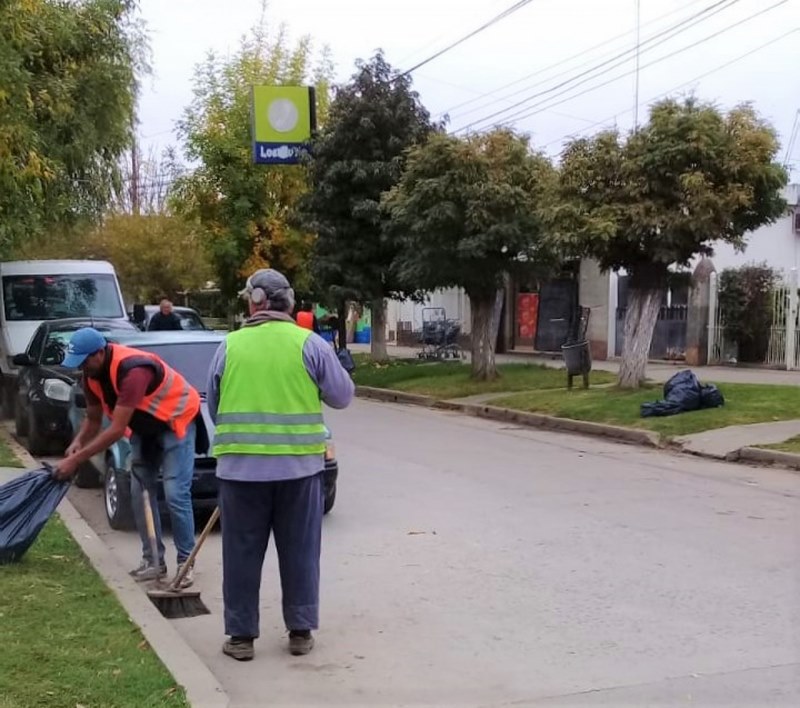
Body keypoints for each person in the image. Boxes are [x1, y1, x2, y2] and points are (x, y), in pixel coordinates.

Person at [207, 268, 354, 662]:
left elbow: (215, 406)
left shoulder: (229, 346)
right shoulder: (310, 345)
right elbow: (342, 397)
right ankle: (300, 632)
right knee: (300, 551)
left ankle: (240, 638)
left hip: (240, 474)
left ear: (255, 301)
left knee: (240, 554)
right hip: (298, 473)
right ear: (287, 302)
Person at [54, 327, 199, 585]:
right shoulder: (91, 376)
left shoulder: (132, 370)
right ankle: (153, 561)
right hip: (146, 428)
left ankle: (185, 563)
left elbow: (117, 429)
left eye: (85, 361)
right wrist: (77, 443)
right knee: (139, 490)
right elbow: (94, 418)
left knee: (176, 492)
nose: (82, 368)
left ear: (100, 353)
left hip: (176, 421)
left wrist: (76, 460)